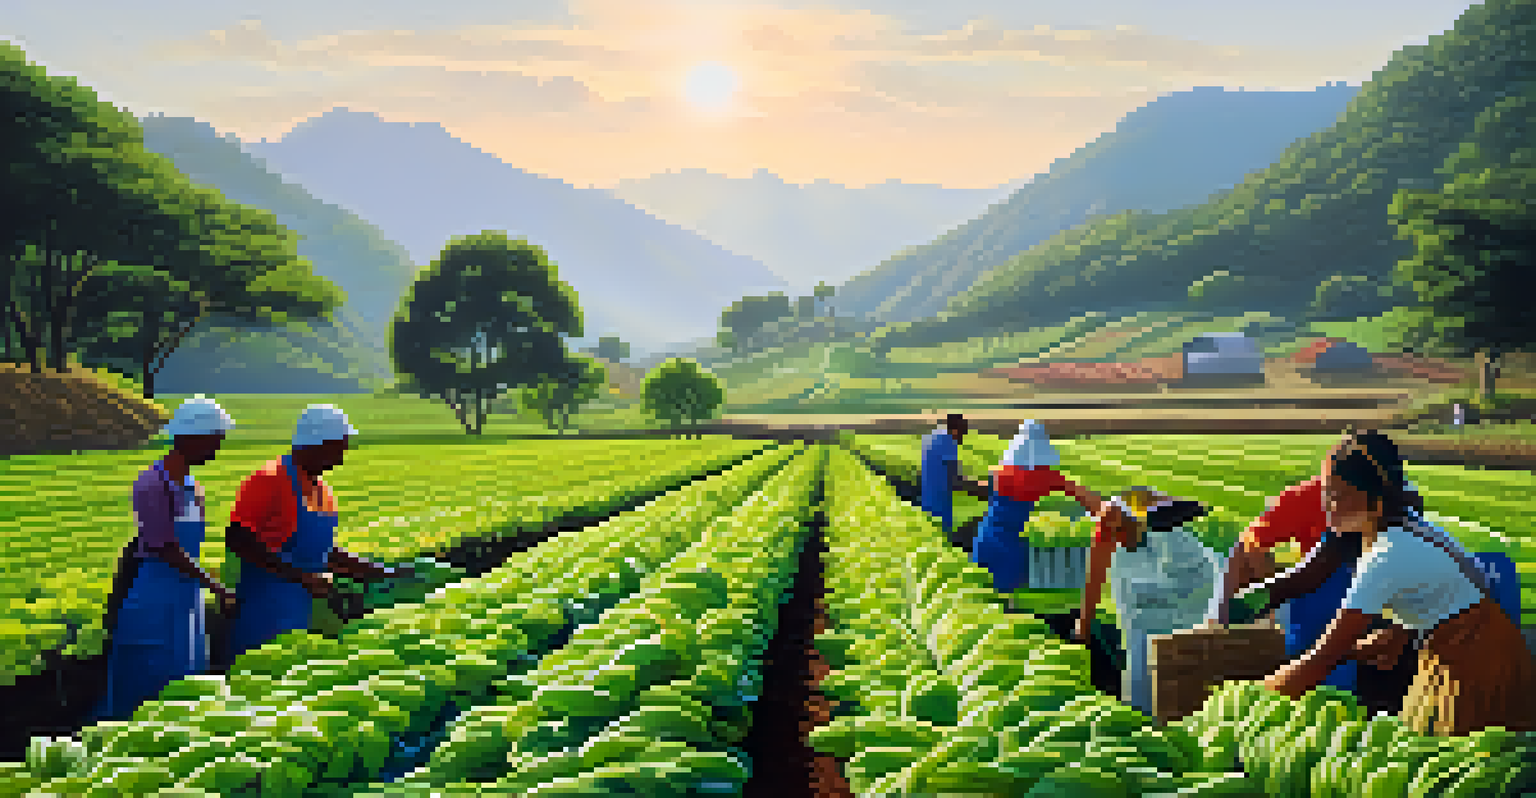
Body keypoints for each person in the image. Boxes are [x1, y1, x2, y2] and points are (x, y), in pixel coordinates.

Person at [1236, 430, 1536, 736]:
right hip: (1457, 651)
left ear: (1375, 501)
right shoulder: (1398, 526)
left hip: (1476, 667)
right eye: (1326, 493)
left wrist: (1246, 704)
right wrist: (1390, 636)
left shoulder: (1385, 555)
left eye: (1338, 496)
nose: (1327, 505)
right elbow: (1404, 623)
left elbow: (1320, 661)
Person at [224, 405, 401, 662]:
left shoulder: (322, 491)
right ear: (316, 444)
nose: (341, 459)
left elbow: (320, 551)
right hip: (266, 604)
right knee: (261, 672)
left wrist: (374, 570)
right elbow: (238, 538)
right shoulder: (269, 479)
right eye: (338, 449)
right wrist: (301, 576)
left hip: (304, 604)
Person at [97, 396, 238, 720]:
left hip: (185, 595)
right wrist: (215, 586)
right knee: (147, 680)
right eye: (214, 441)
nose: (217, 450)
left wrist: (205, 584)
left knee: (185, 675)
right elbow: (164, 547)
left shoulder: (194, 487)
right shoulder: (152, 484)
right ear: (191, 438)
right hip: (155, 595)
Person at [1079, 487, 1223, 717]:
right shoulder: (1115, 516)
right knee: (1143, 671)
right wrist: (1084, 625)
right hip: (1150, 615)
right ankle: (1146, 714)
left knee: (1184, 664)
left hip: (1190, 600)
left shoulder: (1171, 527)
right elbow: (1096, 571)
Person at [1212, 477, 1362, 695]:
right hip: (1316, 610)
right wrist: (1260, 598)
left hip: (1364, 612)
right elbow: (1252, 543)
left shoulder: (1400, 503)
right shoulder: (1309, 496)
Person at [970, 420, 1117, 594]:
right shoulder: (1046, 477)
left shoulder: (999, 473)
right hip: (1012, 547)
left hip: (985, 539)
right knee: (1013, 603)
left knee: (986, 599)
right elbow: (1092, 502)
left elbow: (983, 491)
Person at [920, 413, 989, 540]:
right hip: (940, 504)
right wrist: (985, 488)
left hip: (927, 500)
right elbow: (955, 482)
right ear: (955, 431)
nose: (962, 440)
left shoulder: (932, 437)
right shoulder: (949, 442)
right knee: (942, 540)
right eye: (962, 434)